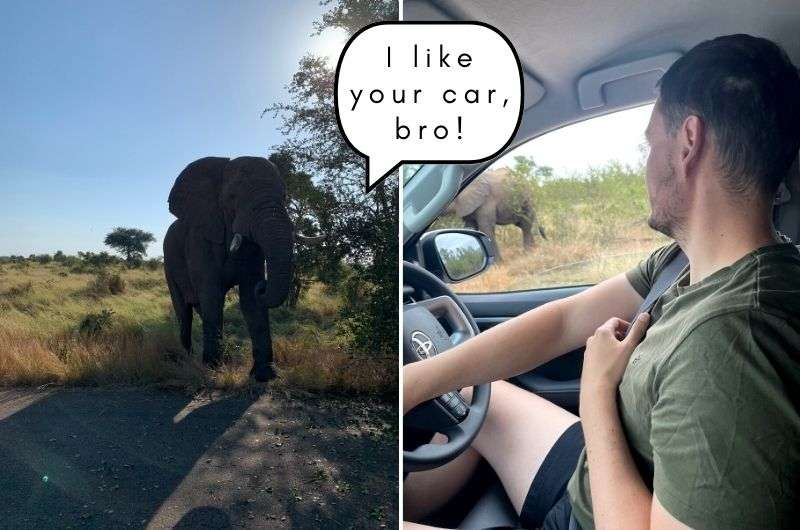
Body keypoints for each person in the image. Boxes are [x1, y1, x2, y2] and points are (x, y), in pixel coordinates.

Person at [403, 34, 800, 530]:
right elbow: (566, 319)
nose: (645, 165)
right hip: (593, 481)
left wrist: (595, 394)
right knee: (466, 393)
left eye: (650, 142)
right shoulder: (686, 263)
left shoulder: (732, 341)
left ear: (687, 143)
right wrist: (416, 380)